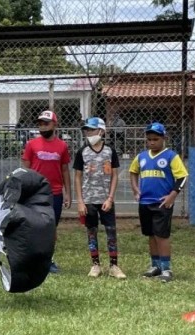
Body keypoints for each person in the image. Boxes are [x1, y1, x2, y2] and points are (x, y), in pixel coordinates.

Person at [129, 122, 188, 283]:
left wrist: (172, 196)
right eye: (149, 139)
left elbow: (182, 177)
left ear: (164, 138)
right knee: (150, 234)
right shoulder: (141, 156)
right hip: (145, 202)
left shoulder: (171, 156)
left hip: (162, 203)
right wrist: (135, 189)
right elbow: (133, 172)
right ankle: (155, 265)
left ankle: (166, 267)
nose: (152, 142)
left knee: (161, 235)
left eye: (155, 139)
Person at [73, 117, 126, 279]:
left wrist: (110, 198)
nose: (89, 133)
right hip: (89, 201)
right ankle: (95, 265)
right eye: (87, 130)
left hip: (105, 200)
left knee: (111, 232)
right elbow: (77, 177)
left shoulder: (110, 151)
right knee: (91, 232)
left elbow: (115, 175)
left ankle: (114, 265)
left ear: (101, 131)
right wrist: (81, 201)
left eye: (92, 130)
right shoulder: (83, 151)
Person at [22, 110, 72, 273]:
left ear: (54, 125)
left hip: (55, 193)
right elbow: (25, 169)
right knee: (34, 227)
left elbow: (65, 170)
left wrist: (68, 193)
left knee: (51, 228)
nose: (43, 127)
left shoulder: (62, 146)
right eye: (40, 124)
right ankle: (32, 258)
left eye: (46, 123)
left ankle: (48, 259)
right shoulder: (31, 144)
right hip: (35, 193)